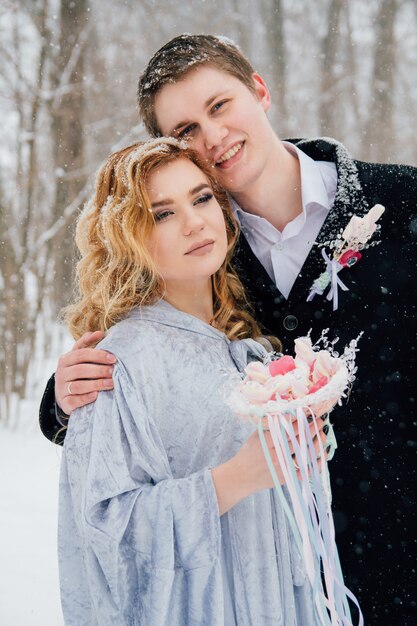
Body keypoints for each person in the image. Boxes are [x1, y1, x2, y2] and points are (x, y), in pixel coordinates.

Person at [41, 35, 417, 622]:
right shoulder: (206, 252)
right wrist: (61, 397)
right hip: (286, 585)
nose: (212, 136)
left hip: (400, 562)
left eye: (220, 106)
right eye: (187, 128)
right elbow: (161, 382)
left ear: (259, 90)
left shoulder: (401, 201)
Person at [58, 137, 330, 625]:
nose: (194, 222)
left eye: (202, 197)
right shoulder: (120, 362)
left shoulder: (250, 350)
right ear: (127, 237)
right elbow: (104, 537)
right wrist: (233, 480)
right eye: (162, 213)